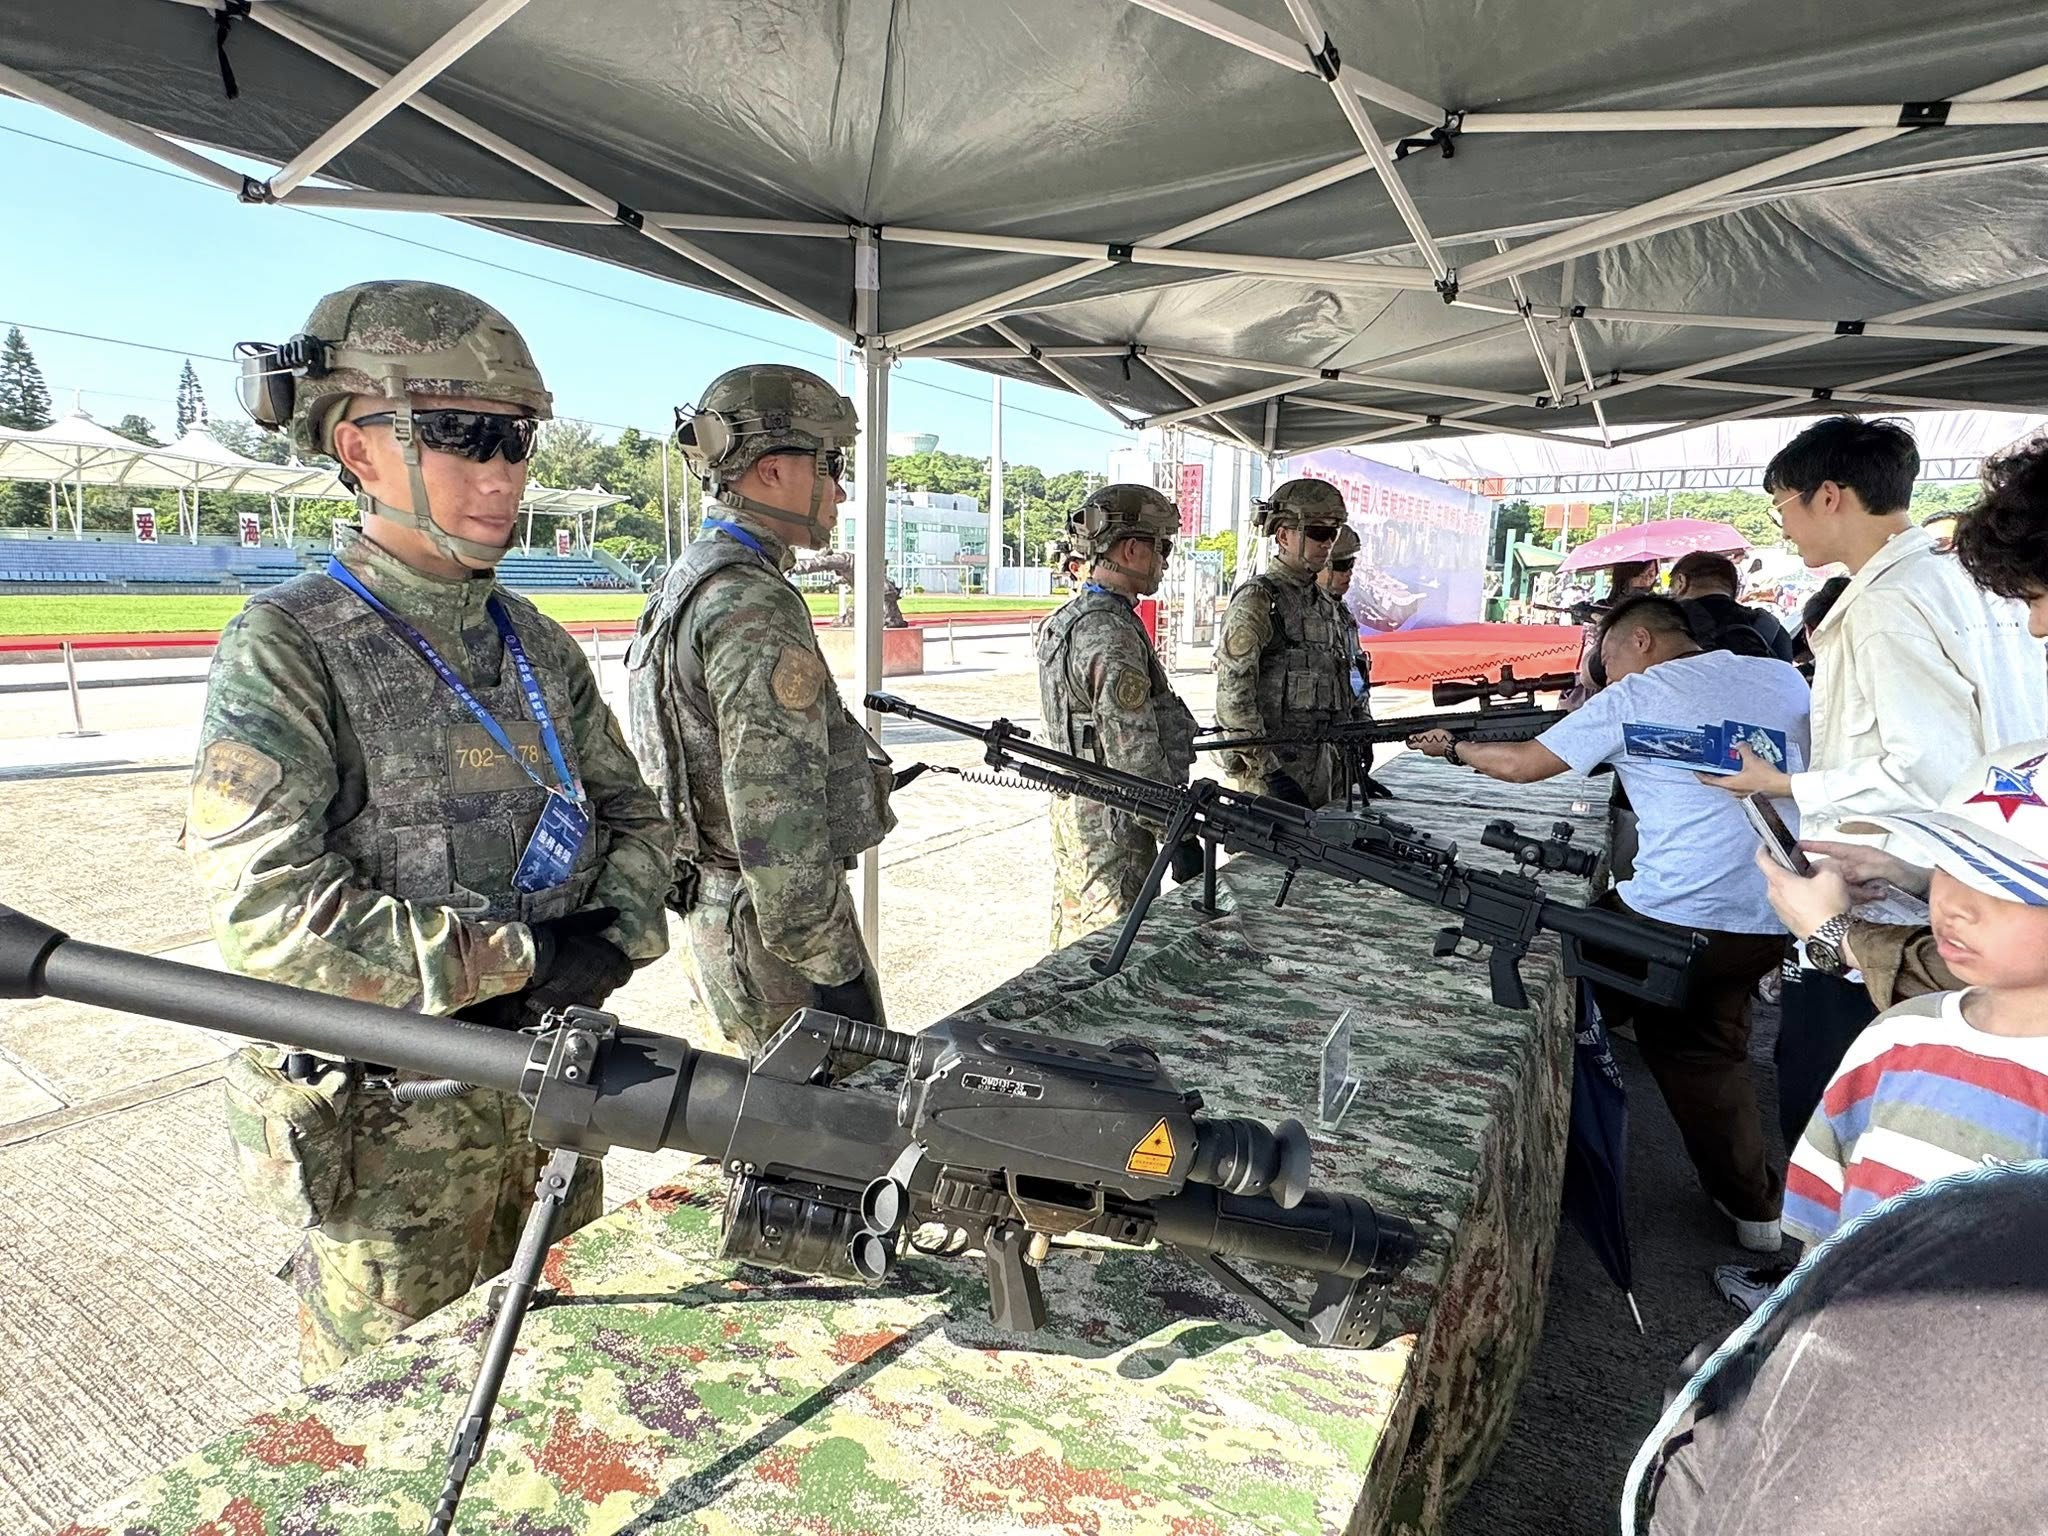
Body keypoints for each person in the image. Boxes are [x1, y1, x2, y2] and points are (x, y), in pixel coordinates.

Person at [189, 280, 670, 1382]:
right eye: (458, 435)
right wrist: (520, 958)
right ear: (357, 447)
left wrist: (611, 937)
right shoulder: (289, 646)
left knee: (562, 1387)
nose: (501, 474)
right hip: (393, 1151)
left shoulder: (535, 642)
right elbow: (269, 916)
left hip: (550, 1109)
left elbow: (637, 819)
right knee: (386, 1420)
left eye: (515, 440)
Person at [1412, 594, 1811, 1251]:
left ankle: (1498, 1149)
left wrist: (1453, 747)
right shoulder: (1778, 675)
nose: (1604, 676)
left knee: (1537, 976)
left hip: (1670, 918)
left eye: (1607, 659)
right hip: (1777, 912)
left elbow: (1522, 766)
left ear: (1641, 639)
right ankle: (1757, 1214)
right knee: (1702, 1049)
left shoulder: (1637, 693)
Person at [1708, 416, 2047, 1150]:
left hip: (1904, 906)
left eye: (1782, 506)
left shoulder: (1889, 602)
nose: (1783, 526)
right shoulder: (1962, 582)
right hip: (1978, 881)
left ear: (1829, 496)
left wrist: (1786, 785)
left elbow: (1925, 764)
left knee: (1842, 1100)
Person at [627, 364, 895, 1068]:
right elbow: (776, 810)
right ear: (773, 471)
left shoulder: (692, 576)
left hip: (730, 912)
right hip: (774, 934)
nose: (840, 490)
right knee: (835, 1117)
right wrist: (832, 966)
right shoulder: (752, 601)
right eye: (831, 465)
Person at [1775, 740, 2048, 1251]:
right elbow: (1824, 1225)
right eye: (1948, 865)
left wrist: (1833, 932)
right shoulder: (1899, 1031)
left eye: (2005, 885)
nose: (1954, 905)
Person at [1034, 484, 1200, 946]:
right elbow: (1134, 753)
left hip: (1079, 810)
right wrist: (1177, 833)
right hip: (1117, 822)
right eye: (1162, 548)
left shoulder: (1071, 618)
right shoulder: (1110, 632)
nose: (1164, 561)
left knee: (1075, 935)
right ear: (1131, 549)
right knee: (1110, 944)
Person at [1213, 478, 1367, 806]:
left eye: (1333, 533)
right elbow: (1233, 698)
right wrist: (1270, 773)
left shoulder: (1326, 605)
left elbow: (1343, 686)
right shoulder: (1259, 600)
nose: (1327, 543)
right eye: (1318, 532)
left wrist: (1354, 752)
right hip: (1273, 780)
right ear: (1283, 536)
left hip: (1324, 771)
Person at [1667, 549, 1794, 663]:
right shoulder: (1770, 625)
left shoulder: (1668, 623)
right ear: (1734, 588)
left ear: (1681, 582)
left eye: (1671, 587)